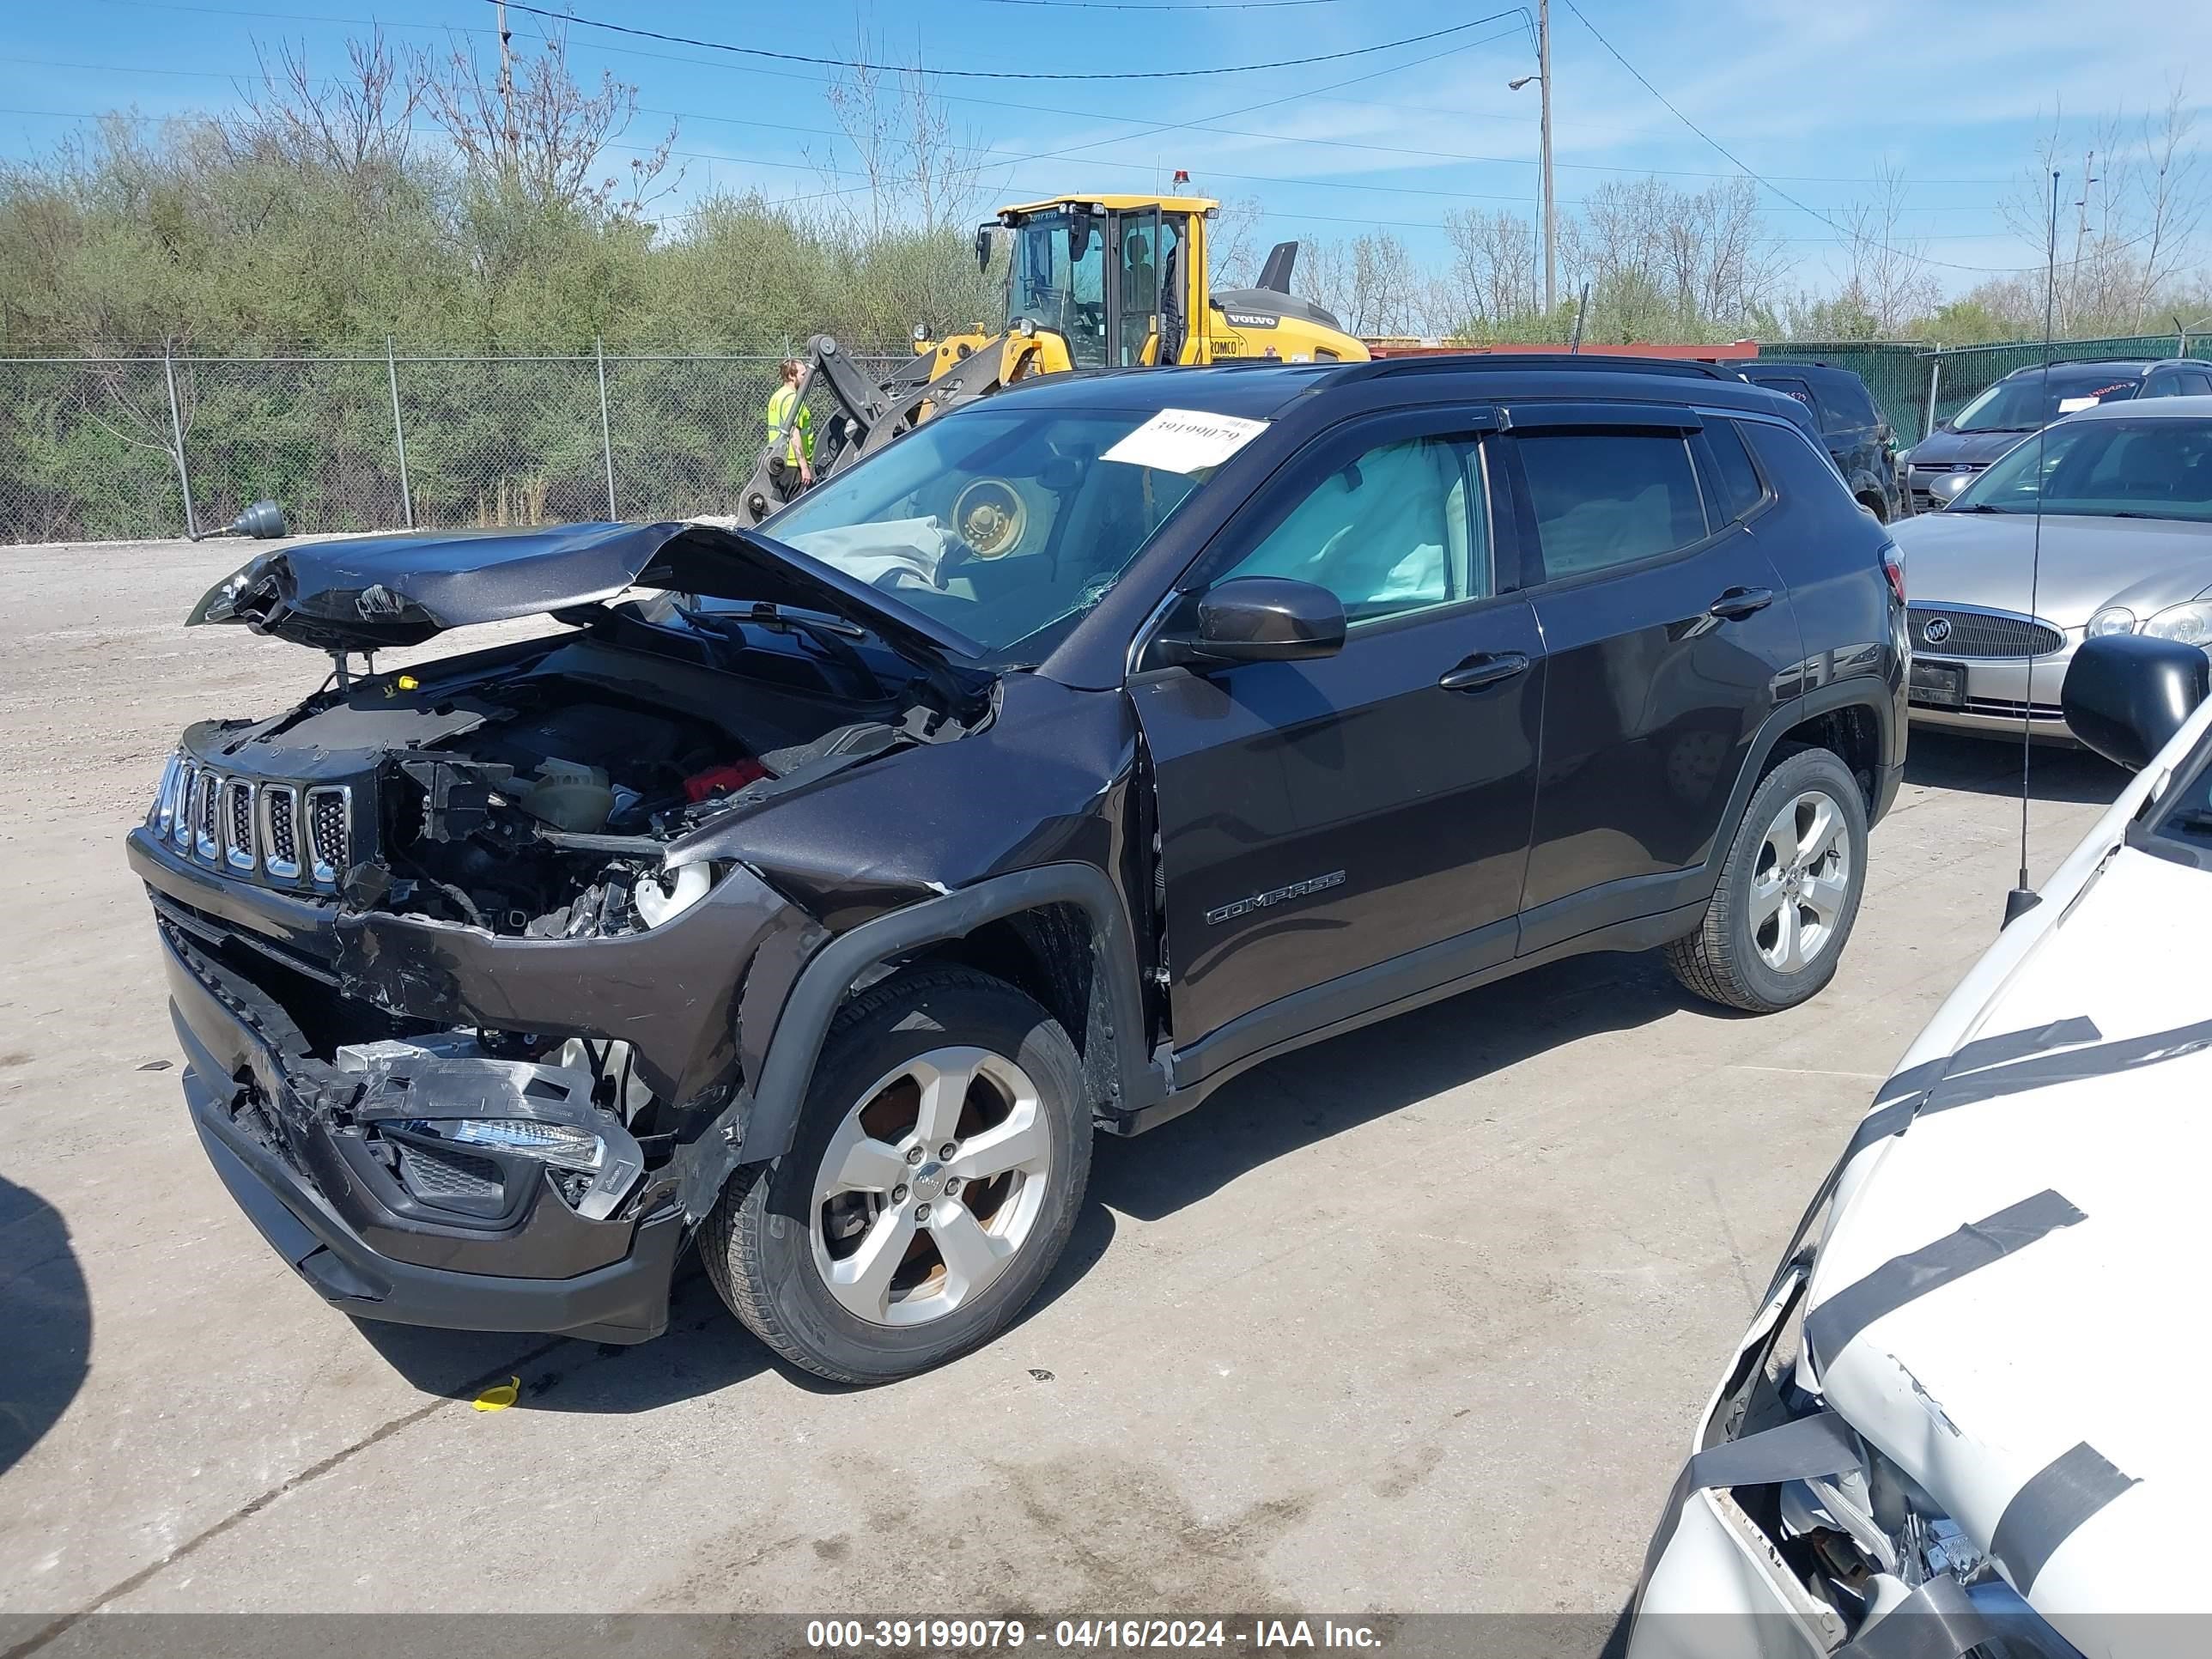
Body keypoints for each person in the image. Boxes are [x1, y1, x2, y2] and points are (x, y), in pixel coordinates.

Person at [764, 360, 814, 501]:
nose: (807, 378)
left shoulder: (777, 396)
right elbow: (794, 433)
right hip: (793, 465)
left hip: (779, 462)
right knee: (798, 510)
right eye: (803, 374)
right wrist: (804, 467)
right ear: (792, 376)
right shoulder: (792, 400)